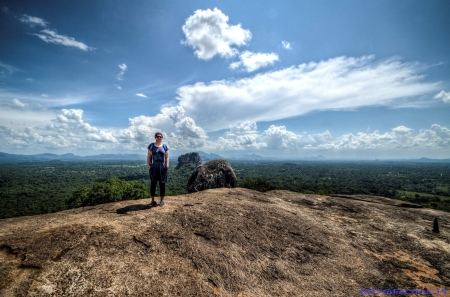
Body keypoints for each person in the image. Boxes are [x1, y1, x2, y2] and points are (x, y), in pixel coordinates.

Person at [147, 132, 169, 206]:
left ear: (162, 138)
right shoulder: (151, 146)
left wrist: (167, 165)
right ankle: (153, 200)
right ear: (155, 137)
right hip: (154, 166)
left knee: (162, 184)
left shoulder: (165, 146)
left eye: (160, 137)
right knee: (153, 183)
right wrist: (148, 165)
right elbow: (149, 156)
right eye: (157, 136)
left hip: (162, 167)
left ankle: (162, 201)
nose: (159, 138)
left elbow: (167, 157)